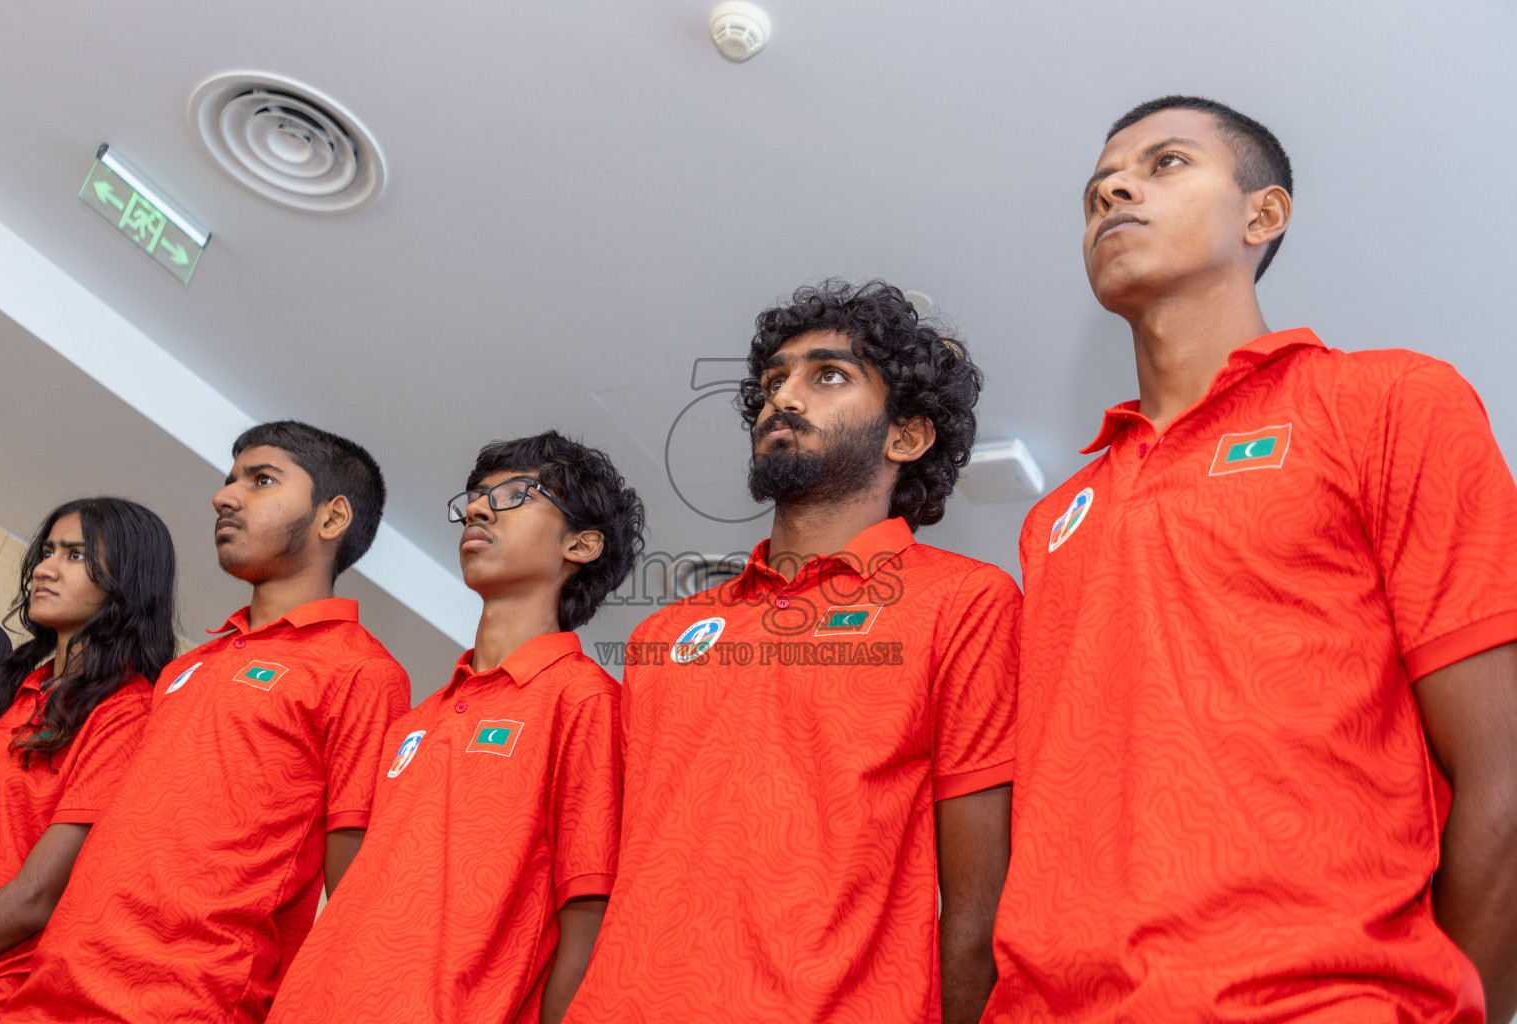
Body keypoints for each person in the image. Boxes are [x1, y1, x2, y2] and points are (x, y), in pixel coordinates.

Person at [985, 96, 1517, 1023]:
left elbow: (1504, 773)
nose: (1112, 187)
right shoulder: (1056, 518)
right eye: (1098, 186)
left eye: (1166, 164)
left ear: (1262, 216)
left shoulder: (1389, 403)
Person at [565, 280, 1020, 1024]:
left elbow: (980, 913)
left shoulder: (966, 602)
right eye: (773, 381)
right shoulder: (665, 633)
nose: (783, 398)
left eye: (827, 375)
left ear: (906, 436)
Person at [3, 422, 412, 1024]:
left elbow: (354, 887)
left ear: (332, 517)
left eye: (261, 480)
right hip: (52, 987)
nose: (224, 497)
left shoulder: (363, 671)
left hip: (189, 1001)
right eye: (228, 481)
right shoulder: (188, 666)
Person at [269, 430, 643, 1024]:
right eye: (474, 496)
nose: (476, 508)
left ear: (583, 543)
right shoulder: (415, 721)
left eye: (516, 494)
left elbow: (590, 916)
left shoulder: (586, 702)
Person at [0, 499, 175, 1020]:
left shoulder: (128, 712)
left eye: (74, 555)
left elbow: (36, 898)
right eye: (47, 551)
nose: (44, 567)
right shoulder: (22, 686)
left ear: (126, 583)